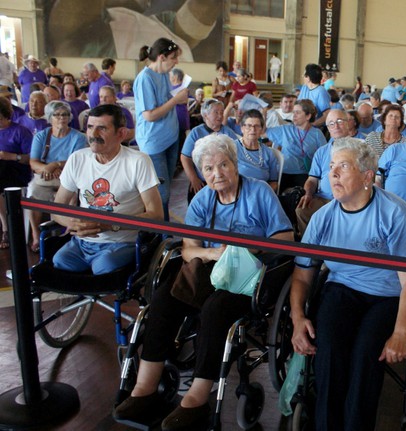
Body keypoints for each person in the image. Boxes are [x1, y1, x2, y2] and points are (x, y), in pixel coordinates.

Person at [113, 134, 293, 430]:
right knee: (163, 300)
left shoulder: (259, 192)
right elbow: (188, 250)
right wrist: (213, 253)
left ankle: (197, 397)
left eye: (223, 165)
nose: (217, 173)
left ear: (235, 165)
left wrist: (246, 248)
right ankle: (144, 388)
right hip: (211, 269)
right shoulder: (202, 199)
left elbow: (286, 237)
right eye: (209, 168)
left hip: (250, 277)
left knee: (215, 308)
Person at [289, 137, 406, 431]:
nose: (333, 174)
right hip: (342, 288)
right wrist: (297, 319)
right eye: (331, 167)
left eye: (343, 167)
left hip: (387, 295)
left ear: (366, 176)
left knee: (365, 357)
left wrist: (402, 332)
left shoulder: (395, 213)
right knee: (329, 351)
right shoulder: (322, 217)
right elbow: (301, 275)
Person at [50, 104, 162, 275]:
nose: (93, 134)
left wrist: (109, 224)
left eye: (102, 128)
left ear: (121, 133)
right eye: (90, 127)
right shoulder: (77, 159)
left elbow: (156, 215)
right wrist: (73, 223)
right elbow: (57, 208)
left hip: (122, 243)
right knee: (60, 261)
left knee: (104, 265)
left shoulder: (138, 161)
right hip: (82, 242)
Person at [134, 37, 189, 220]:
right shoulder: (145, 78)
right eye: (173, 58)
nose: (176, 62)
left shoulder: (164, 74)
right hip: (154, 142)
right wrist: (175, 100)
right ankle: (161, 231)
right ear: (161, 57)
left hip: (169, 137)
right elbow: (149, 115)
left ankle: (163, 228)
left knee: (167, 188)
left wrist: (177, 95)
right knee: (161, 194)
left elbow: (164, 101)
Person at [27, 101, 87, 252]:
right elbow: (33, 162)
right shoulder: (41, 136)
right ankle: (36, 235)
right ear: (49, 117)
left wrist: (56, 164)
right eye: (57, 115)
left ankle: (68, 232)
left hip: (68, 177)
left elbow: (76, 161)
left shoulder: (78, 137)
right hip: (46, 178)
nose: (62, 118)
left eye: (65, 114)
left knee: (73, 194)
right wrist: (48, 168)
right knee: (33, 193)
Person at [296, 109, 350, 233]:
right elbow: (312, 179)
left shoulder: (359, 148)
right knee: (302, 210)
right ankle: (310, 243)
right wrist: (308, 194)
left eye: (339, 121)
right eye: (331, 123)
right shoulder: (321, 151)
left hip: (349, 199)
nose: (336, 126)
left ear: (348, 123)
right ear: (328, 129)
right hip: (323, 199)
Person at [180, 98, 240, 197]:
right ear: (205, 115)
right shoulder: (196, 132)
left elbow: (237, 156)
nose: (220, 115)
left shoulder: (228, 132)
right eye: (216, 112)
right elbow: (185, 157)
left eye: (222, 112)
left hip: (223, 180)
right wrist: (194, 179)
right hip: (202, 181)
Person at [266, 99, 327, 191]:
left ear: (308, 116)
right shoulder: (285, 130)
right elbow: (262, 131)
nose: (294, 115)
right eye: (293, 112)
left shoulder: (317, 134)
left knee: (303, 192)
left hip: (306, 174)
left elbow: (324, 156)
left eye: (297, 112)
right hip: (284, 172)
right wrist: (263, 112)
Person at [0, 97, 33, 249]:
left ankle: (6, 228)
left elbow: (31, 158)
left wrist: (12, 156)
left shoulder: (20, 131)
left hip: (18, 170)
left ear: (6, 115)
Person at [234, 110, 279, 191]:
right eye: (249, 126)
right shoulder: (232, 148)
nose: (253, 129)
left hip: (262, 193)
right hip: (238, 192)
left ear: (261, 129)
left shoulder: (268, 153)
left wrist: (262, 194)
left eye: (257, 126)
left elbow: (274, 182)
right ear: (242, 128)